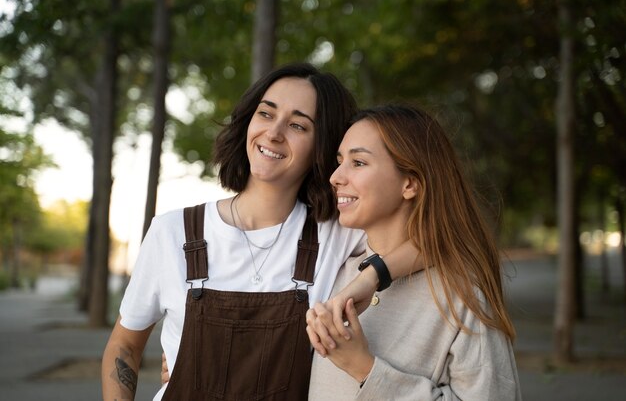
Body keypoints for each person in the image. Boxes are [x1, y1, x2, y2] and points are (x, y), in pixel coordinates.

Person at [102, 63, 420, 401]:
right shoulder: (172, 232)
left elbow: (432, 241)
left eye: (298, 124)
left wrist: (370, 278)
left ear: (322, 146)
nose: (274, 132)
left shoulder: (336, 234)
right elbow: (124, 345)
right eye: (266, 114)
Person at [306, 104, 522, 400]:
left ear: (409, 183)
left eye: (358, 163)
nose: (335, 176)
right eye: (339, 161)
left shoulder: (463, 295)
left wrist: (365, 369)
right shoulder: (334, 265)